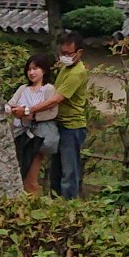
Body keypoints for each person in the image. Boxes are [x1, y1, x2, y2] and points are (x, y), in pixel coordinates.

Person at [6, 55, 63, 194]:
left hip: (37, 136)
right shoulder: (23, 88)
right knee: (20, 173)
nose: (31, 73)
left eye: (35, 69)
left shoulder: (48, 89)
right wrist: (10, 110)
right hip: (21, 134)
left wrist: (30, 114)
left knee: (31, 175)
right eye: (29, 69)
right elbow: (11, 104)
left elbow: (51, 112)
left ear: (43, 71)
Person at [49, 33, 93, 198]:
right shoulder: (65, 68)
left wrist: (30, 110)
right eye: (62, 53)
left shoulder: (77, 72)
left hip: (72, 127)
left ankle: (68, 206)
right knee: (55, 171)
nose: (65, 57)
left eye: (68, 54)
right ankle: (55, 202)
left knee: (69, 171)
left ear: (79, 53)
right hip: (59, 123)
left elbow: (58, 98)